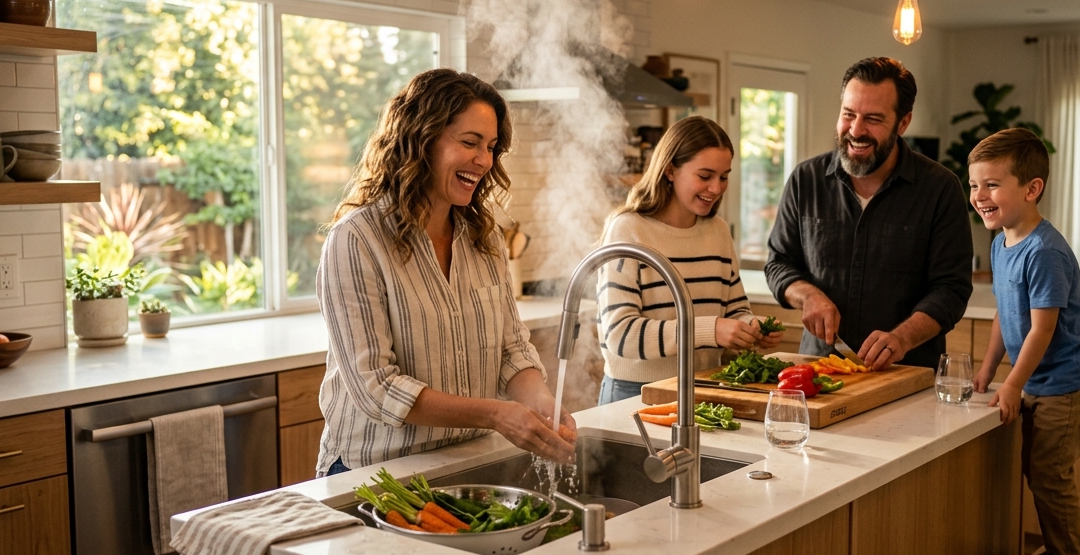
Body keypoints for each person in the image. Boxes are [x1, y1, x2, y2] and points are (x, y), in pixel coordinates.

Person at [315, 69, 575, 476]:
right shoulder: (357, 240)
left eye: (491, 147)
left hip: (464, 461)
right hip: (376, 471)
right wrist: (496, 414)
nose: (484, 160)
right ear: (421, 140)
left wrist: (542, 402)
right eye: (470, 142)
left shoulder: (484, 238)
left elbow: (511, 350)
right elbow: (376, 387)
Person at [765, 57, 972, 370]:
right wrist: (807, 296)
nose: (856, 130)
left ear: (903, 123)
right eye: (848, 114)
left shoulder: (940, 188)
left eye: (873, 119)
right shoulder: (805, 180)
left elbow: (951, 289)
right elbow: (779, 263)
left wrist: (903, 337)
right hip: (820, 371)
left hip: (907, 373)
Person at [969, 128, 1080, 555]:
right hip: (1041, 381)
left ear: (1032, 189)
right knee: (1039, 469)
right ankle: (1059, 552)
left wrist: (1013, 383)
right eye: (974, 185)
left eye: (992, 185)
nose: (979, 196)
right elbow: (1004, 314)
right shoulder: (1001, 243)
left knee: (1049, 473)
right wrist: (988, 370)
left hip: (1069, 383)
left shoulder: (1044, 251)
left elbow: (1042, 329)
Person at [596, 116, 783, 406]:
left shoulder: (717, 231)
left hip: (704, 386)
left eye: (724, 177)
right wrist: (711, 330)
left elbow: (734, 310)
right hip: (635, 392)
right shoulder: (628, 230)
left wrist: (750, 328)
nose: (716, 188)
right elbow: (620, 335)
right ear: (670, 170)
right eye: (705, 176)